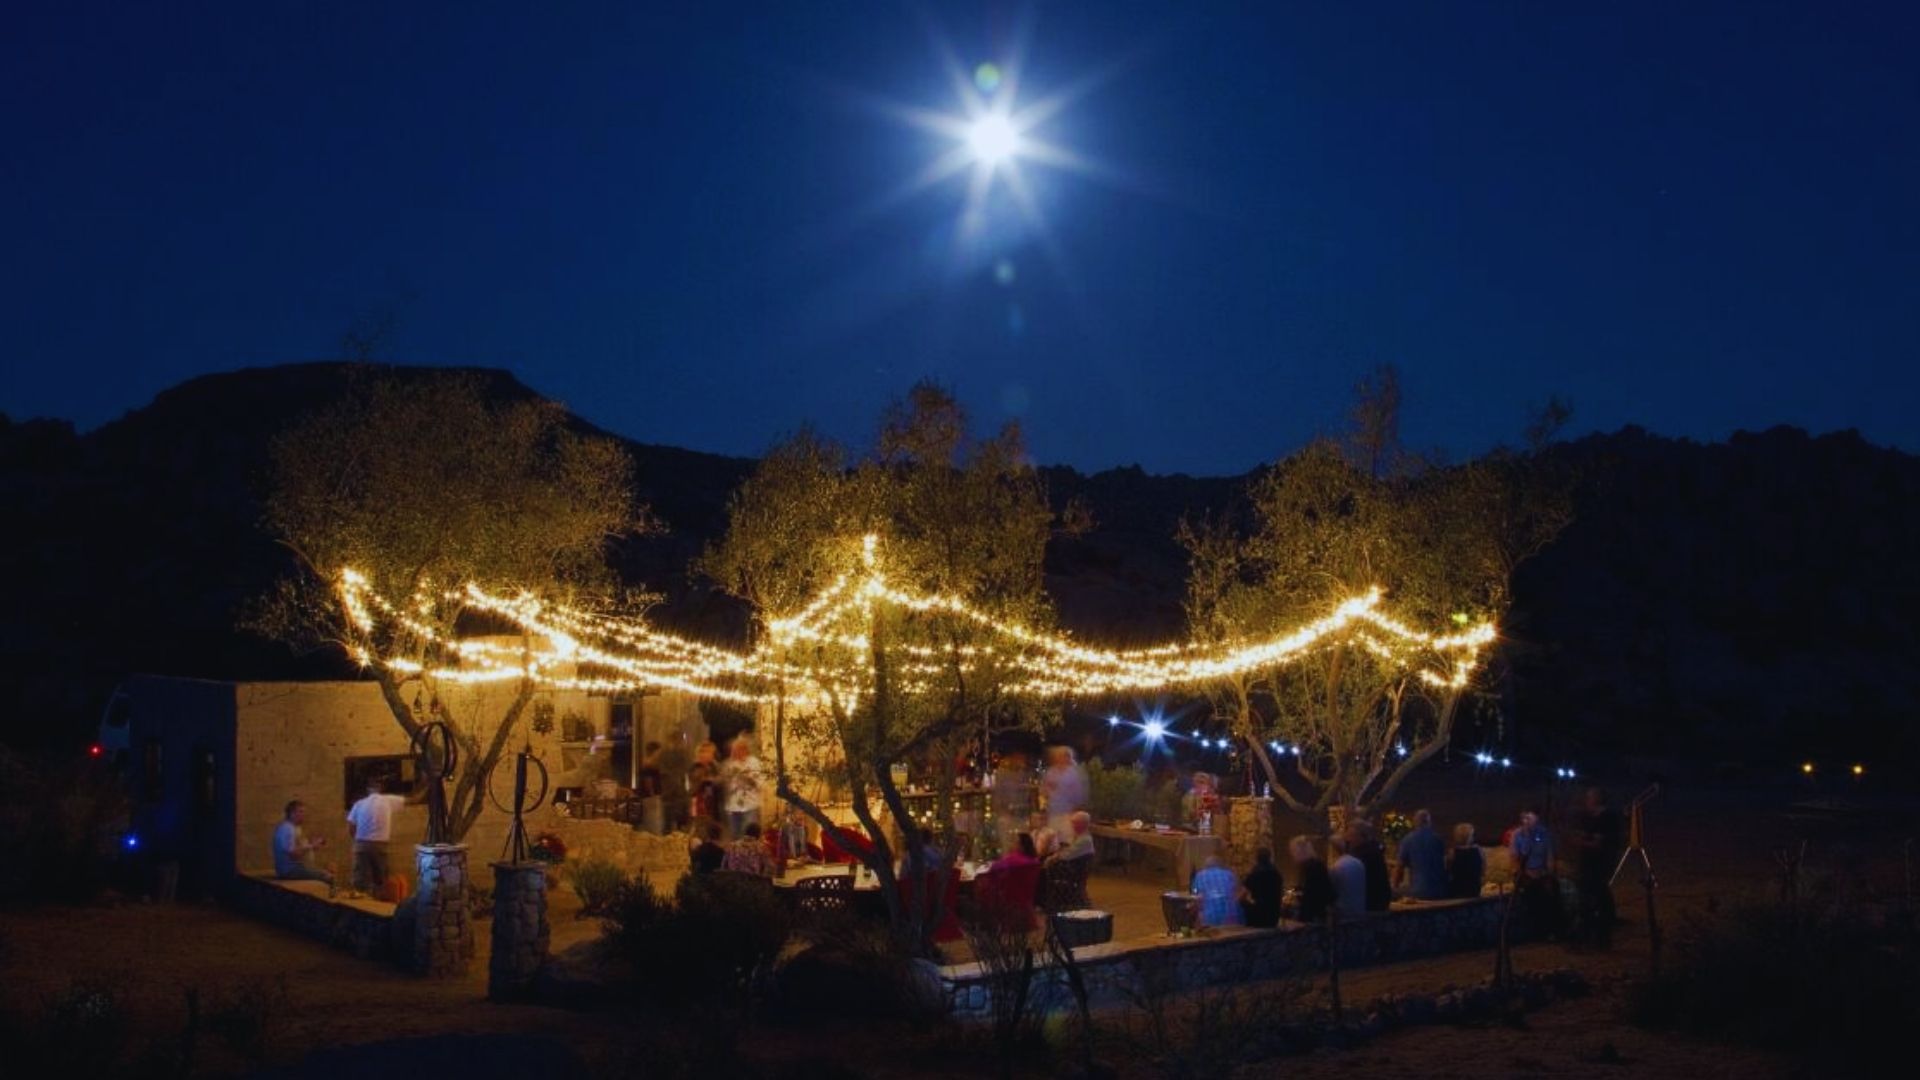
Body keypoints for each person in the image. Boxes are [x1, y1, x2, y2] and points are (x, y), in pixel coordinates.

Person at [1572, 788, 1623, 947]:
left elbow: (1598, 844)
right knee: (1588, 899)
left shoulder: (1607, 819)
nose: (1587, 800)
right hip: (1587, 864)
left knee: (1599, 898)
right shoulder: (1588, 817)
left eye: (1589, 797)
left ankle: (1601, 937)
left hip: (1600, 864)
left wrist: (1579, 842)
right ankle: (1589, 935)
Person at [345, 776, 407, 894]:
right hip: (380, 844)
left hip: (361, 844)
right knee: (381, 879)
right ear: (381, 788)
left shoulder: (359, 804)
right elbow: (412, 799)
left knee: (361, 881)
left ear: (368, 789)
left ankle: (361, 905)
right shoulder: (388, 800)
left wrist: (358, 840)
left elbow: (351, 827)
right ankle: (380, 904)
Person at [1510, 808, 1560, 936]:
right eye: (1524, 818)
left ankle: (1555, 928)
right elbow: (1515, 860)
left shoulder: (1544, 834)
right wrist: (1527, 872)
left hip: (1541, 871)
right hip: (1524, 872)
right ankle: (1539, 929)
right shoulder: (1517, 835)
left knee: (1552, 887)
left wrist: (1548, 872)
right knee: (1532, 888)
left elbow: (1549, 857)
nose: (1526, 821)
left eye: (1530, 818)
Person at [273, 799, 333, 893]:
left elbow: (298, 850)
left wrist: (311, 845)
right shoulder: (287, 829)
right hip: (289, 870)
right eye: (300, 812)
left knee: (326, 870)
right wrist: (311, 846)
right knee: (327, 876)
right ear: (292, 813)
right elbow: (293, 854)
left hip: (295, 868)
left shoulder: (294, 828)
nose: (304, 815)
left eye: (304, 812)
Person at [1394, 809, 1450, 901]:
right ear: (1429, 822)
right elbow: (1445, 863)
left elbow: (1399, 867)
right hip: (1441, 890)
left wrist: (1394, 886)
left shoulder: (1408, 840)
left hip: (1418, 891)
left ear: (1415, 822)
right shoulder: (1438, 839)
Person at [720, 736, 764, 840]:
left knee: (749, 837)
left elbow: (760, 784)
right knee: (735, 837)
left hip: (750, 806)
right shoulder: (729, 764)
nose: (733, 753)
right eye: (732, 750)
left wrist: (746, 776)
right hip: (732, 806)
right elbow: (724, 785)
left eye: (736, 750)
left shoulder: (754, 763)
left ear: (744, 749)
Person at [1041, 746, 1088, 839]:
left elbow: (1079, 795)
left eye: (1063, 756)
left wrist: (1075, 812)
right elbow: (1044, 791)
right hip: (1053, 814)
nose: (1059, 758)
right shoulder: (1051, 772)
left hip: (1068, 815)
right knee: (1053, 841)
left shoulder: (1074, 773)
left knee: (1067, 841)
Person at [1290, 835, 1335, 924]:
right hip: (1318, 913)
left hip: (1314, 915)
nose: (1292, 855)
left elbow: (1312, 893)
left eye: (1293, 851)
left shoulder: (1311, 867)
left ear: (1300, 851)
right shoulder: (1314, 865)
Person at [1349, 821, 1392, 912]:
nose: (1349, 840)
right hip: (1380, 903)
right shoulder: (1373, 849)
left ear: (1362, 836)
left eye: (1352, 836)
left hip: (1371, 905)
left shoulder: (1364, 853)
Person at [1192, 855, 1244, 927]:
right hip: (1232, 918)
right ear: (1220, 865)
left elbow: (1196, 896)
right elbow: (1240, 892)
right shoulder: (1229, 874)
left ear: (1206, 866)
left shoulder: (1199, 876)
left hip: (1209, 918)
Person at [1328, 831, 1367, 920]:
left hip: (1344, 913)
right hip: (1360, 911)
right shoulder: (1358, 862)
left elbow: (1332, 891)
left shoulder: (1338, 866)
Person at [1240, 847, 1283, 928]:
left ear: (1256, 859)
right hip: (1274, 916)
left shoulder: (1254, 874)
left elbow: (1242, 895)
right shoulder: (1277, 874)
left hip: (1258, 917)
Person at [686, 740, 720, 828]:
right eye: (709, 752)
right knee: (698, 826)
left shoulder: (713, 766)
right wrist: (706, 779)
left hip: (711, 802)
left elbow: (718, 780)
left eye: (712, 753)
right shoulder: (696, 767)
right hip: (698, 801)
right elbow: (694, 784)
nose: (712, 755)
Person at [1448, 822, 1485, 899]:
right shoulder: (1478, 850)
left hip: (1457, 890)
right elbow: (1482, 870)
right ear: (1470, 836)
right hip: (1474, 889)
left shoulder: (1453, 852)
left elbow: (1449, 871)